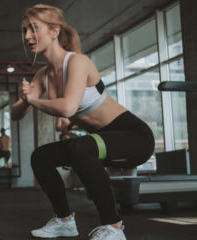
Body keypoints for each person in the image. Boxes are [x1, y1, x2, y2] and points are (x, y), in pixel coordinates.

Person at [10, 4, 155, 240]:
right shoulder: (44, 75)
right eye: (25, 30)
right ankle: (64, 220)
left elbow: (68, 107)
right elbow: (16, 114)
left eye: (34, 29)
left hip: (133, 137)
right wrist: (27, 100)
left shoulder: (77, 62)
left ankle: (114, 227)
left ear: (54, 31)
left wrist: (35, 101)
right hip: (101, 141)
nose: (27, 36)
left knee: (81, 147)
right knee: (41, 157)